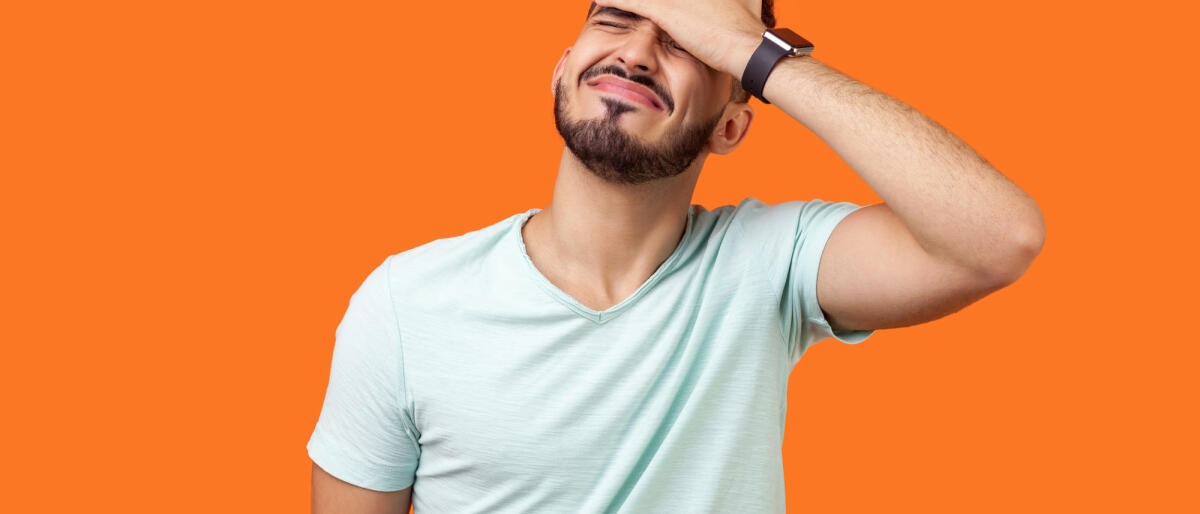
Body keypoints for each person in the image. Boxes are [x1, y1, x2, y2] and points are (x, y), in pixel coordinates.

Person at [307, 0, 1046, 512]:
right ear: (561, 70)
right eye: (617, 20)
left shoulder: (769, 265)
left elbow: (998, 238)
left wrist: (755, 53)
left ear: (732, 125)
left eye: (687, 41)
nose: (635, 52)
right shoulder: (407, 303)